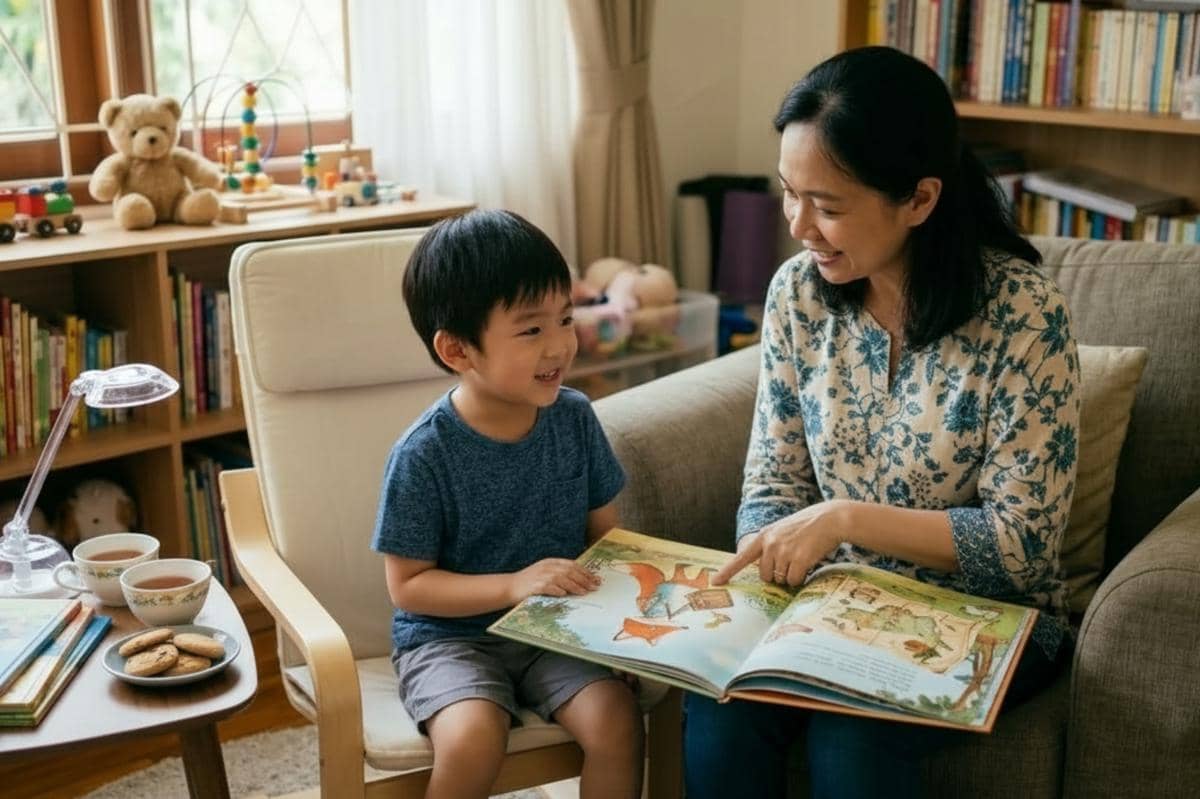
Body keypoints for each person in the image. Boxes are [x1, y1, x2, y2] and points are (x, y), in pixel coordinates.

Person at [684, 46, 1080, 799]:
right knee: (722, 705)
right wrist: (766, 573)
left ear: (921, 199)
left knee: (851, 733)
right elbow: (772, 481)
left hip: (987, 616)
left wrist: (842, 520)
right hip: (831, 606)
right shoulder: (797, 295)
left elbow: (1023, 546)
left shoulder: (1026, 315)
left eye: (828, 206)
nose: (799, 226)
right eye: (788, 193)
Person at [372, 209, 643, 799]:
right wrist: (512, 585)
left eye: (566, 319)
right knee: (473, 739)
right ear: (457, 350)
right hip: (449, 639)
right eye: (531, 330)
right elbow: (409, 587)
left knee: (617, 721)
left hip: (555, 630)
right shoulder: (424, 455)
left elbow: (608, 542)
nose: (561, 346)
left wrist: (617, 630)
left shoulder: (573, 418)